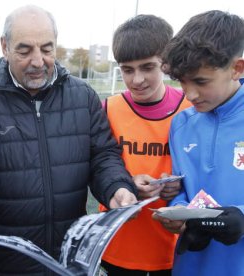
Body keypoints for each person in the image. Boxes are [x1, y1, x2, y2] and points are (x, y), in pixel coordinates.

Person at [0, 5, 138, 275]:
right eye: (24, 50)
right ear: (4, 46)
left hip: (72, 263)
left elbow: (103, 156)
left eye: (46, 48)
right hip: (6, 266)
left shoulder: (83, 96)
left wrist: (117, 187)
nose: (37, 61)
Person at [97, 15, 191, 276]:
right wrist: (124, 185)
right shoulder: (107, 109)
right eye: (127, 70)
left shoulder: (191, 109)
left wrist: (179, 186)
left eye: (147, 67)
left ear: (166, 63)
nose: (137, 79)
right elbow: (95, 167)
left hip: (172, 247)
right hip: (117, 244)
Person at [152, 10, 244, 275]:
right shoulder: (181, 124)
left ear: (237, 68)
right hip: (191, 265)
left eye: (201, 81)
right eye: (182, 81)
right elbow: (185, 188)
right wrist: (177, 209)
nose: (190, 94)